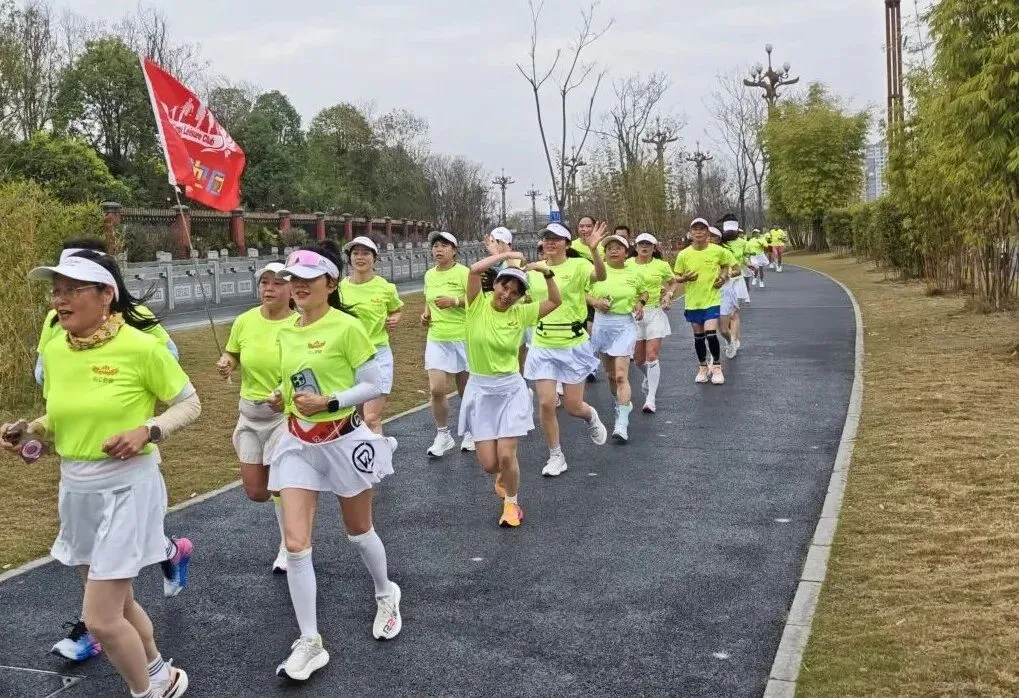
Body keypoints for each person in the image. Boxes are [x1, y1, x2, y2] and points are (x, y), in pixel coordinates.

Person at [5, 250, 201, 698]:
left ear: (106, 294)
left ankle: (147, 691)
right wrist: (31, 431)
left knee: (100, 619)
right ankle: (161, 674)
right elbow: (59, 417)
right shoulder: (57, 350)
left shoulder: (141, 347)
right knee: (121, 604)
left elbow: (190, 403)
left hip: (129, 486)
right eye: (56, 291)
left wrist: (147, 430)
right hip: (77, 489)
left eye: (72, 290)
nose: (59, 300)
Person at [267, 242, 401, 682]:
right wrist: (280, 397)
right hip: (296, 443)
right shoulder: (286, 331)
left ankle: (386, 592)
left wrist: (331, 400)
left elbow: (373, 384)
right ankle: (310, 641)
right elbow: (293, 382)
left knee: (359, 532)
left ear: (330, 282)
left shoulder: (347, 327)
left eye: (309, 279)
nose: (298, 286)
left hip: (343, 440)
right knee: (295, 543)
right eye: (294, 279)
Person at [461, 251, 561, 527]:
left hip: (510, 390)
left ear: (520, 297)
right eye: (504, 287)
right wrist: (505, 255)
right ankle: (503, 474)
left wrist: (547, 273)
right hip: (480, 390)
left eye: (515, 292)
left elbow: (555, 301)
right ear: (495, 284)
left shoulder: (521, 313)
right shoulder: (476, 305)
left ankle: (511, 503)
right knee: (490, 464)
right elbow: (473, 270)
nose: (507, 295)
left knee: (507, 454)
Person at [217, 262, 297, 575]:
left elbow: (308, 368)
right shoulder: (245, 321)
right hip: (249, 415)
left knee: (279, 485)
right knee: (256, 491)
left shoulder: (299, 325)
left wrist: (284, 394)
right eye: (264, 282)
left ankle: (290, 545)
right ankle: (296, 515)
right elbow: (234, 354)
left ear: (291, 289)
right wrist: (227, 362)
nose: (269, 289)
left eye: (277, 283)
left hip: (283, 415)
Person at [523, 222, 609, 477]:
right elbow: (523, 297)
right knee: (546, 403)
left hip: (572, 343)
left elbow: (601, 276)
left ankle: (590, 416)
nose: (549, 242)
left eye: (556, 238)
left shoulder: (578, 265)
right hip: (543, 342)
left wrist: (594, 250)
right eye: (546, 238)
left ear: (567, 243)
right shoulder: (534, 270)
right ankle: (556, 455)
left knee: (573, 406)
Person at [339, 236, 403, 448]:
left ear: (374, 259)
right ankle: (379, 446)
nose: (360, 257)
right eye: (355, 253)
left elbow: (396, 309)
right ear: (349, 258)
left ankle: (378, 461)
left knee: (371, 417)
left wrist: (395, 318)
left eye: (365, 253)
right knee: (355, 417)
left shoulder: (385, 287)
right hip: (350, 358)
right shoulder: (339, 289)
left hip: (378, 355)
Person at [587, 234, 649, 442]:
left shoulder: (634, 273)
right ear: (604, 253)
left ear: (626, 252)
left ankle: (621, 423)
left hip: (624, 325)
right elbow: (583, 293)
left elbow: (644, 292)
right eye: (609, 248)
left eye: (618, 247)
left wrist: (640, 303)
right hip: (602, 325)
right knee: (611, 375)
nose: (613, 251)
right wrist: (595, 302)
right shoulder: (596, 271)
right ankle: (622, 403)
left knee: (622, 375)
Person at [421, 231, 473, 457]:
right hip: (437, 338)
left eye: (444, 245)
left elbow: (478, 301)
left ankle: (470, 431)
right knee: (436, 389)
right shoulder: (429, 275)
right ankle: (443, 435)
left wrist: (455, 301)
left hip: (463, 337)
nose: (438, 250)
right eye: (435, 246)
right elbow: (428, 301)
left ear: (454, 250)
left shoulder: (465, 273)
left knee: (466, 390)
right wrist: (425, 315)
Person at [673, 218, 736, 385]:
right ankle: (702, 367)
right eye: (695, 229)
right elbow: (676, 277)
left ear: (707, 232)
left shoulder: (717, 251)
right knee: (699, 337)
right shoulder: (683, 254)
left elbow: (725, 266)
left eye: (702, 229)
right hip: (693, 301)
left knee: (711, 333)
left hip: (712, 299)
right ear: (690, 233)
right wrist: (684, 278)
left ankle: (717, 367)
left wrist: (723, 277)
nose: (698, 232)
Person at [628, 233, 677, 413]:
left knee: (652, 355)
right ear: (635, 247)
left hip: (654, 312)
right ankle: (649, 376)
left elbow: (673, 282)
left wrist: (668, 294)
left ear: (654, 248)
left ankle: (650, 399)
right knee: (638, 359)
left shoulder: (661, 265)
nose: (644, 247)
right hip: (633, 313)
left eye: (648, 244)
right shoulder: (627, 264)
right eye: (641, 244)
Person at [719, 219, 750, 359]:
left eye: (733, 230)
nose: (730, 232)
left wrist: (749, 264)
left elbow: (743, 258)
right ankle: (730, 338)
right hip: (722, 281)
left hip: (736, 279)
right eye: (728, 230)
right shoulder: (719, 244)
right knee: (724, 314)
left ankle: (734, 339)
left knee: (734, 313)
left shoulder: (742, 243)